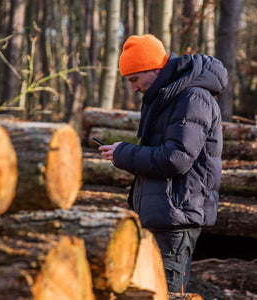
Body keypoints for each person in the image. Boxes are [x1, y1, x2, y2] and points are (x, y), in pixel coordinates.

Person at [99, 34, 228, 292]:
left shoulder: (192, 98)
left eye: (134, 79)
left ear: (155, 68)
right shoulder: (168, 96)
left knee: (166, 294)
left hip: (177, 220)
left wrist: (124, 154)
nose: (133, 88)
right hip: (164, 216)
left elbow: (174, 159)